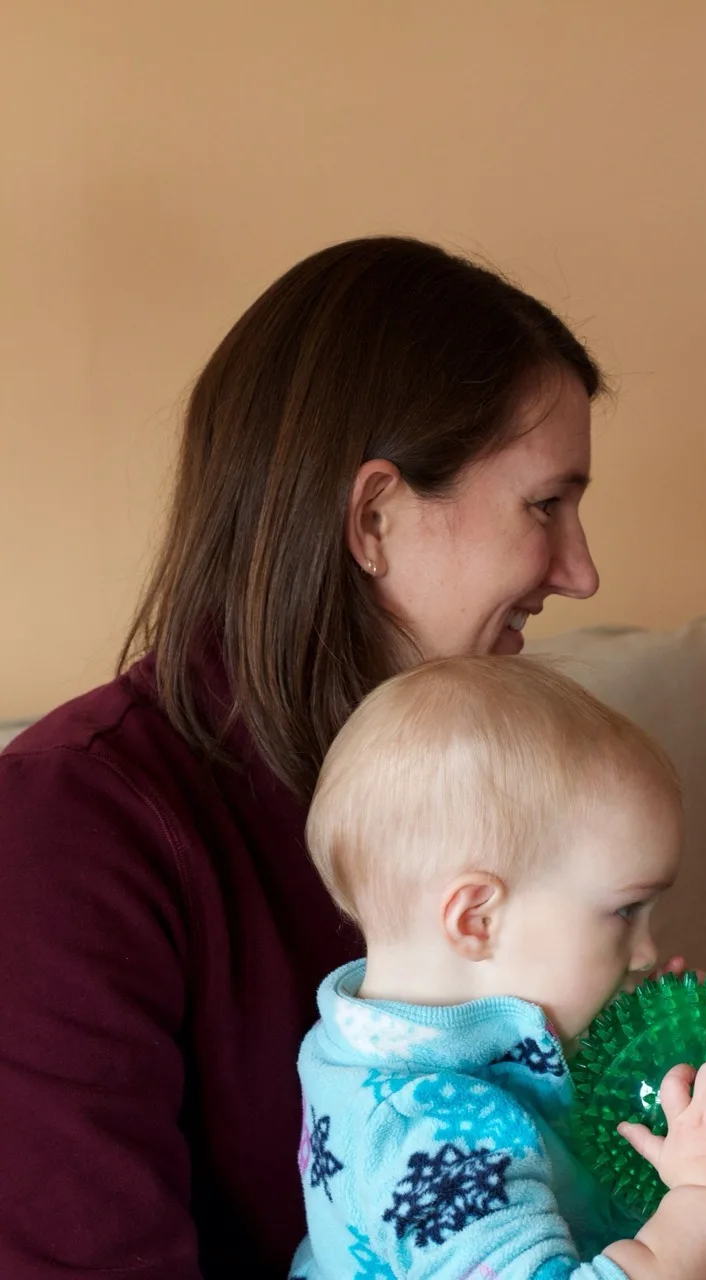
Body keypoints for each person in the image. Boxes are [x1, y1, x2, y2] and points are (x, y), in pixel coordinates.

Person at [0, 236, 607, 1279]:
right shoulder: (71, 824)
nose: (582, 570)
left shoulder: (506, 775)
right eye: (545, 504)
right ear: (373, 516)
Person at [291, 656, 706, 1280]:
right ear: (477, 920)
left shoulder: (382, 1044)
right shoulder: (431, 1128)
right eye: (625, 911)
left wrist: (633, 1061)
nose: (646, 952)